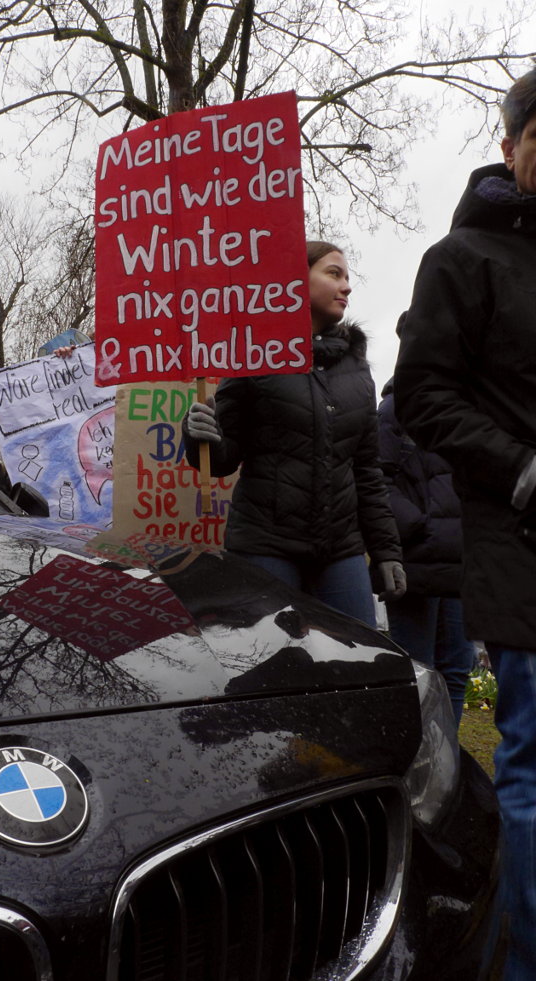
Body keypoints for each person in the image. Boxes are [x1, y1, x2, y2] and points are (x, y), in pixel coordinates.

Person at [394, 68, 536, 981]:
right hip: (521, 546)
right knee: (529, 761)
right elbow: (421, 397)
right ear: (512, 142)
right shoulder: (463, 260)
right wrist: (522, 471)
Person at [182, 239, 405, 627]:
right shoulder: (254, 353)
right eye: (334, 273)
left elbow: (368, 472)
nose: (347, 286)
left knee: (358, 670)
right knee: (273, 666)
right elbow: (222, 460)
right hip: (266, 548)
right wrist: (199, 433)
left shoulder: (357, 371)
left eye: (348, 277)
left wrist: (387, 552)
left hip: (342, 551)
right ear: (295, 281)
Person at [378, 317, 475, 725]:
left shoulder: (468, 407)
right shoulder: (396, 407)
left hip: (462, 563)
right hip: (416, 562)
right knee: (417, 672)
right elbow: (373, 477)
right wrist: (419, 527)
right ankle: (420, 765)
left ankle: (448, 765)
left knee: (456, 670)